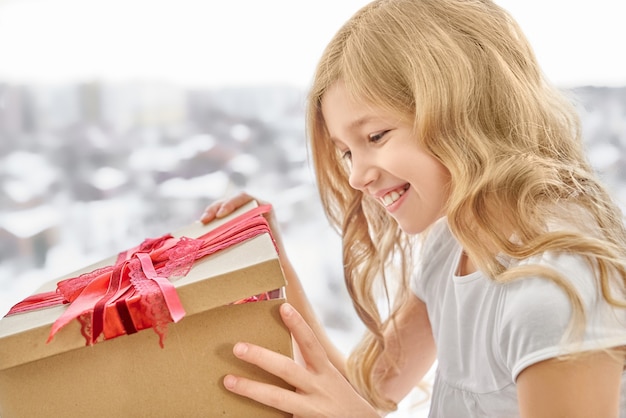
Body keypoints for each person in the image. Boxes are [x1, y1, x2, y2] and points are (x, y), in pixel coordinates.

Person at [201, 0, 626, 416]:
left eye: (376, 136)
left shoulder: (556, 289)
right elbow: (360, 393)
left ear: (463, 106)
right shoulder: (453, 245)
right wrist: (275, 262)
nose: (356, 176)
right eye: (347, 152)